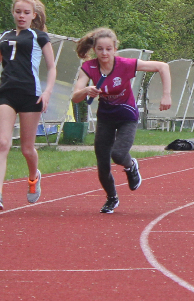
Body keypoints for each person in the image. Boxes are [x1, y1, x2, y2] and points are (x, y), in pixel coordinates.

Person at [0, 0, 57, 211]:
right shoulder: (5, 36)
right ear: (13, 13)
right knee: (3, 143)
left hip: (30, 94)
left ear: (33, 15)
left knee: (26, 149)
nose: (21, 16)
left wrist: (47, 92)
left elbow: (52, 67)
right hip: (6, 93)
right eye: (18, 12)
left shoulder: (39, 36)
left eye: (26, 13)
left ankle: (34, 177)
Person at [70, 28, 173, 213]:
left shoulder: (125, 64)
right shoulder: (89, 67)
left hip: (127, 117)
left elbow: (163, 66)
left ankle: (131, 165)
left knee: (118, 154)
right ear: (94, 49)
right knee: (102, 162)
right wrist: (86, 90)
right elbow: (75, 97)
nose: (104, 53)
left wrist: (166, 95)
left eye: (108, 49)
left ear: (115, 48)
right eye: (100, 49)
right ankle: (111, 198)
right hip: (105, 118)